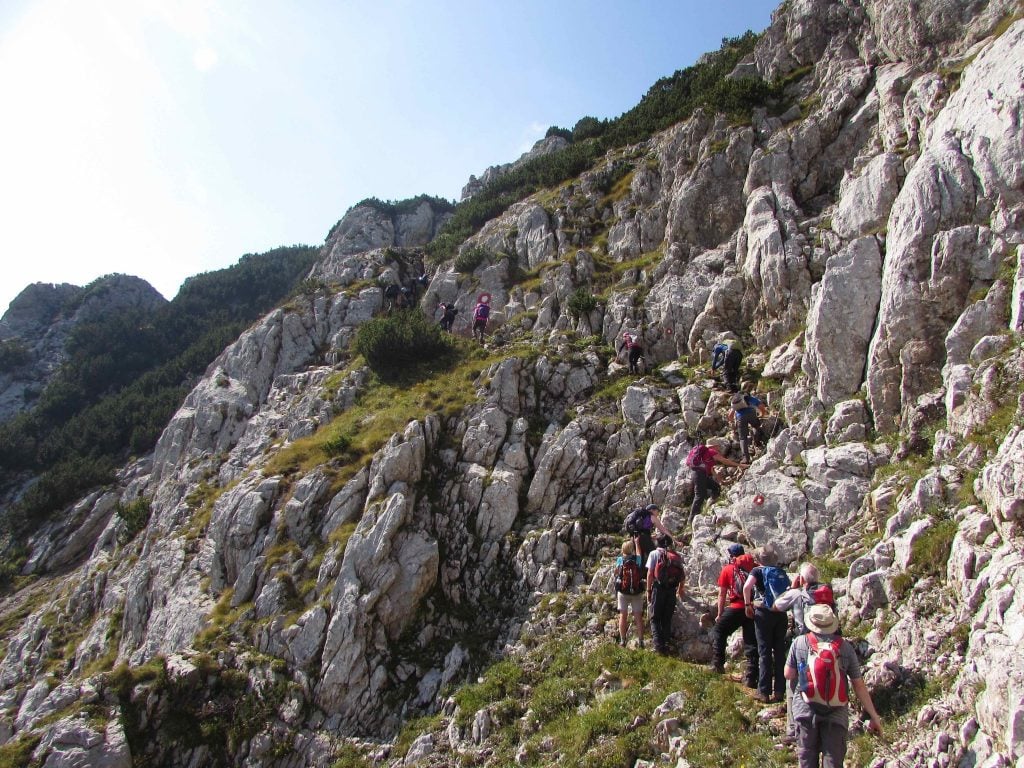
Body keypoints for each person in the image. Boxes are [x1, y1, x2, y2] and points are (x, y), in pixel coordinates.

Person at [784, 604, 883, 768]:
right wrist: (874, 716)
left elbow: (788, 674)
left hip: (805, 710)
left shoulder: (800, 642)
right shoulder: (845, 648)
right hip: (836, 713)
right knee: (833, 761)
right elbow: (859, 685)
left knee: (807, 758)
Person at [743, 548, 791, 703]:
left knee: (764, 651)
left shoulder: (757, 571)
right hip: (780, 614)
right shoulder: (780, 571)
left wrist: (747, 604)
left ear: (759, 559)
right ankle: (779, 691)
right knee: (779, 651)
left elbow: (746, 587)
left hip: (763, 613)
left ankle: (763, 691)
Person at [709, 544, 759, 687]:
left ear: (732, 556)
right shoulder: (754, 568)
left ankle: (717, 663)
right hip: (753, 607)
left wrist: (719, 613)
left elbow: (722, 594)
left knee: (719, 630)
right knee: (751, 641)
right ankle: (751, 675)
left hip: (736, 607)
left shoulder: (728, 569)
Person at [686, 440, 747, 520]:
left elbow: (711, 470)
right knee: (699, 495)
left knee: (716, 487)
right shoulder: (711, 451)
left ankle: (711, 504)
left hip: (698, 474)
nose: (718, 449)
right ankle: (691, 518)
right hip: (699, 475)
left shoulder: (705, 455)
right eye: (717, 447)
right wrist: (739, 465)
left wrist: (721, 481)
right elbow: (725, 461)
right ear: (713, 446)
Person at [646, 534, 685, 655]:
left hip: (659, 588)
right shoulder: (675, 556)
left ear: (658, 543)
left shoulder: (654, 554)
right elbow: (682, 575)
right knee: (667, 619)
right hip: (672, 589)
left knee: (655, 618)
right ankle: (666, 643)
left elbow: (650, 574)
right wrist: (680, 589)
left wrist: (648, 590)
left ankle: (659, 646)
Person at [614, 540, 646, 648]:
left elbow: (616, 572)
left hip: (623, 592)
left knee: (623, 615)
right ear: (631, 549)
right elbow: (639, 554)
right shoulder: (637, 559)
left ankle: (623, 640)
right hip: (636, 592)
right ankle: (641, 641)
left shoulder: (620, 560)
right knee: (638, 617)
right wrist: (637, 543)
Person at [626, 503, 673, 569]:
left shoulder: (640, 517)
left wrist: (650, 536)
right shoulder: (652, 516)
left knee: (639, 557)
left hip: (634, 537)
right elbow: (663, 530)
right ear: (652, 510)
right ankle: (655, 573)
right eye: (657, 511)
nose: (658, 513)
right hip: (644, 538)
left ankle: (638, 574)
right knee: (654, 554)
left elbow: (642, 530)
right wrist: (674, 540)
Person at [728, 391, 768, 463]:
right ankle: (757, 441)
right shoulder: (748, 398)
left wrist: (733, 422)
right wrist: (762, 414)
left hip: (740, 417)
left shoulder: (735, 402)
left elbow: (730, 415)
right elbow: (761, 406)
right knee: (756, 426)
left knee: (743, 438)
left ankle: (746, 458)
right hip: (751, 414)